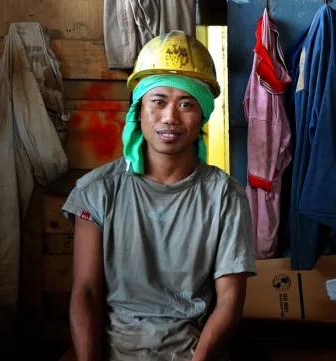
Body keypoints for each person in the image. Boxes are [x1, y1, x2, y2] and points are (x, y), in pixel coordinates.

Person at [61, 30, 257, 361]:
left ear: (202, 116)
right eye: (158, 101)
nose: (170, 117)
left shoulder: (225, 197)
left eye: (186, 104)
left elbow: (229, 302)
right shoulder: (97, 191)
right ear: (139, 111)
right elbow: (87, 292)